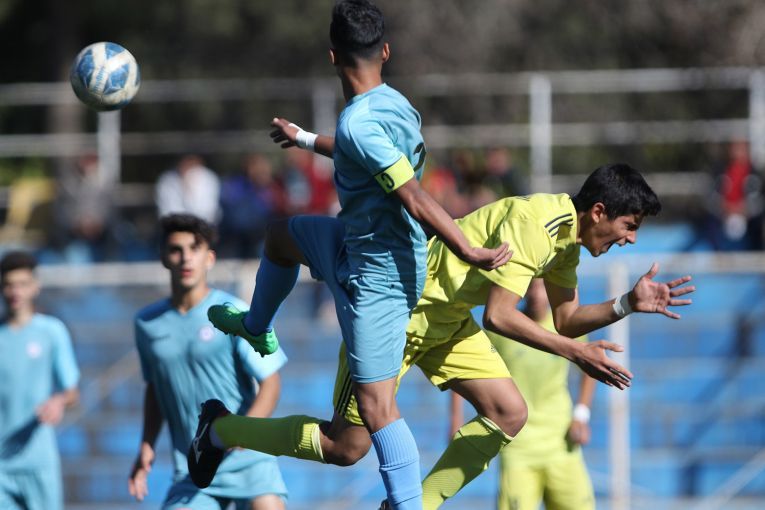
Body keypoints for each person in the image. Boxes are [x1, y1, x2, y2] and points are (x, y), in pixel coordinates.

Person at [192, 163, 694, 510]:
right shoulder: (536, 224)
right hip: (399, 317)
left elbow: (566, 318)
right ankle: (221, 429)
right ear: (599, 211)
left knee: (509, 412)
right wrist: (577, 353)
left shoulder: (565, 240)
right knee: (345, 448)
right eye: (629, 226)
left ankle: (410, 507)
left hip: (447, 320)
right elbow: (500, 317)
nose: (631, 238)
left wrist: (627, 303)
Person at [189, 2, 510, 509]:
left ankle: (405, 504)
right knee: (280, 237)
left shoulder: (359, 122)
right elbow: (363, 150)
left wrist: (467, 248)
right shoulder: (396, 105)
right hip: (354, 241)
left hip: (377, 278)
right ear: (386, 52)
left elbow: (413, 196)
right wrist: (304, 139)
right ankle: (255, 326)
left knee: (368, 422)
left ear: (332, 56)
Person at [128, 214, 288, 510]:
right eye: (176, 249)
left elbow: (271, 382)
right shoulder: (147, 324)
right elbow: (155, 386)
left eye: (194, 248)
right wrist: (147, 444)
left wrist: (243, 432)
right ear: (163, 258)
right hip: (195, 466)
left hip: (248, 461)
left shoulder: (233, 311)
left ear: (209, 258)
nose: (185, 258)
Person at [449, 278, 597, 510]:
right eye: (530, 286)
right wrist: (456, 420)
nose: (536, 294)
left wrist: (581, 414)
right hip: (517, 446)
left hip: (561, 442)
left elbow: (589, 368)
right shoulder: (501, 326)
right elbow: (467, 368)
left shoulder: (566, 326)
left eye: (542, 287)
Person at [0, 250, 80, 510]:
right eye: (9, 285)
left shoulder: (51, 331)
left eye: (22, 284)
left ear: (35, 286)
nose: (15, 292)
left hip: (38, 462)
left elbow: (72, 390)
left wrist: (58, 401)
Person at [156, 155, 221, 224]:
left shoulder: (209, 178)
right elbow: (166, 212)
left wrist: (190, 189)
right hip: (175, 226)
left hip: (202, 225)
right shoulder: (166, 179)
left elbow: (208, 210)